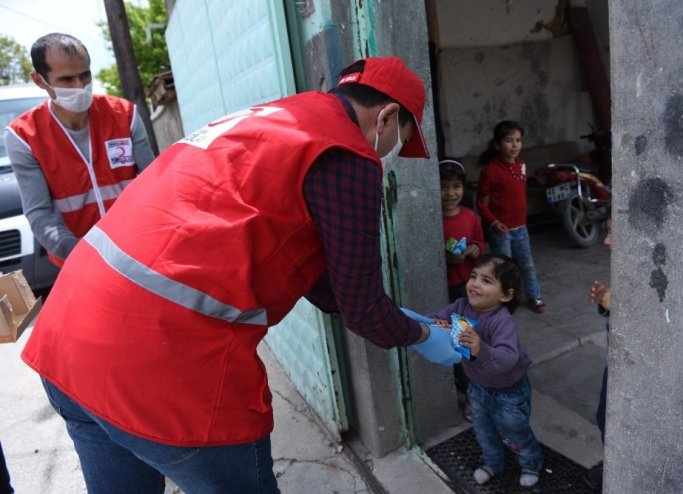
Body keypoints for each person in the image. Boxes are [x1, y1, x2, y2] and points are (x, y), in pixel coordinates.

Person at [20, 56, 461, 493]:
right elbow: (362, 311)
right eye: (401, 140)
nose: (391, 155)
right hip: (157, 372)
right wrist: (423, 338)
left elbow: (328, 285)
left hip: (66, 342)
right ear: (386, 116)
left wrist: (401, 318)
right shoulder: (347, 153)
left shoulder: (274, 121)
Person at [3, 33, 155, 267]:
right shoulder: (24, 136)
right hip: (78, 261)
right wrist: (81, 254)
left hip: (140, 248)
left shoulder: (124, 115)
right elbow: (40, 213)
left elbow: (154, 184)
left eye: (85, 76)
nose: (80, 86)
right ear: (40, 80)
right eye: (66, 79)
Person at [427, 253, 544, 487]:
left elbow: (508, 357)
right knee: (483, 429)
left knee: (515, 432)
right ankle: (493, 463)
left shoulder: (502, 321)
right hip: (478, 386)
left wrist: (481, 348)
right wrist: (436, 323)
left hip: (509, 391)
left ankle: (531, 464)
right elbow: (435, 318)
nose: (475, 284)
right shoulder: (459, 306)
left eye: (486, 280)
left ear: (506, 295)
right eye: (473, 276)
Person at [476, 120, 546, 313]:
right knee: (504, 269)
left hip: (521, 228)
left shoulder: (521, 166)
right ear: (497, 144)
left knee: (527, 265)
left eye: (518, 140)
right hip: (501, 231)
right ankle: (504, 302)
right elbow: (482, 203)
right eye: (509, 140)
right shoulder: (490, 172)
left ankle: (535, 297)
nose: (515, 145)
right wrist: (494, 222)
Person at [439, 159, 486, 421]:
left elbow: (481, 242)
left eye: (456, 186)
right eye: (443, 187)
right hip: (443, 290)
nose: (450, 193)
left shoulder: (471, 217)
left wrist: (477, 248)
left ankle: (472, 394)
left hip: (466, 291)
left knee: (465, 342)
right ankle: (462, 387)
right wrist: (444, 259)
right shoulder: (432, 220)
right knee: (448, 343)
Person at [584, 212, 612, 491]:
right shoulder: (627, 269)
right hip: (614, 366)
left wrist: (619, 306)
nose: (606, 241)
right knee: (605, 417)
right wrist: (606, 300)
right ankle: (614, 461)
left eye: (614, 232)